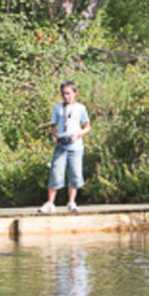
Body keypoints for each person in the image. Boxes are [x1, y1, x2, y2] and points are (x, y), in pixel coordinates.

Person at [40, 81, 91, 214]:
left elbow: (87, 126)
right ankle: (50, 203)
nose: (65, 96)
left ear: (75, 93)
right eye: (63, 94)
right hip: (61, 146)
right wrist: (56, 136)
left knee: (75, 174)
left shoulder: (81, 108)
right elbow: (53, 127)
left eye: (68, 93)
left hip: (76, 146)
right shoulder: (57, 108)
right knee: (55, 173)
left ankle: (71, 202)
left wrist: (78, 134)